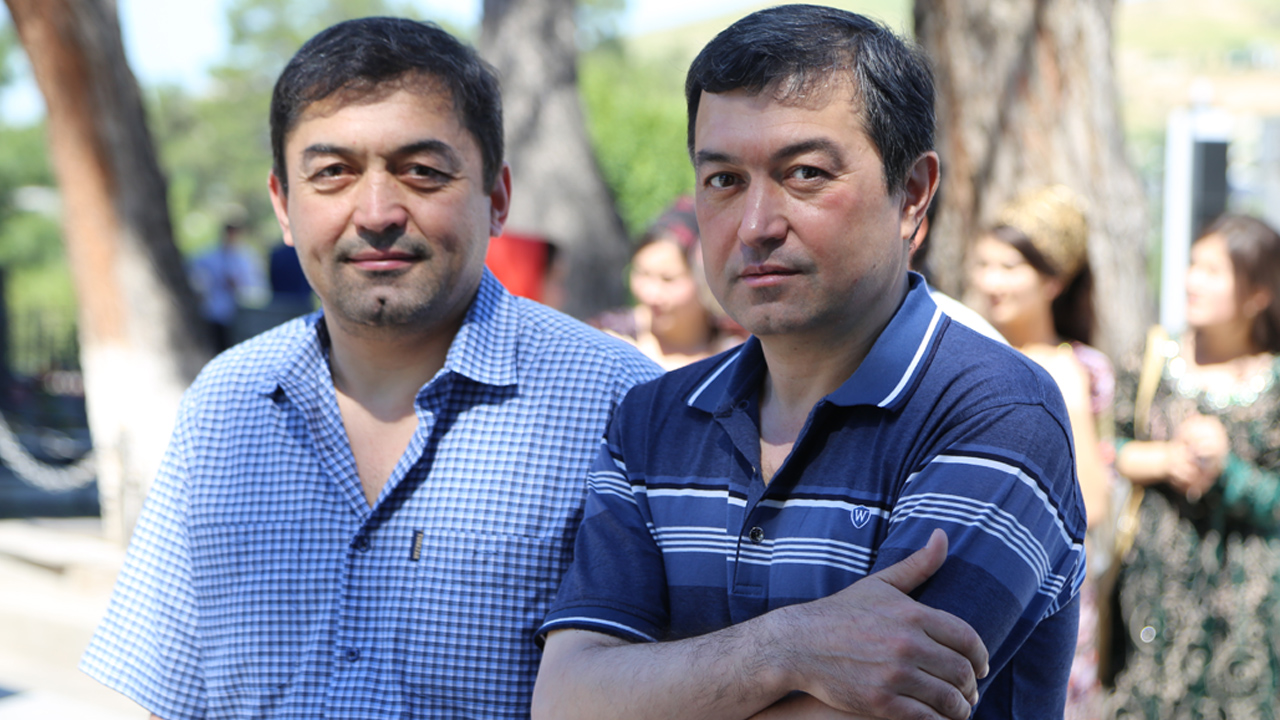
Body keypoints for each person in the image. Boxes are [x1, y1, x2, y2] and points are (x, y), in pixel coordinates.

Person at [79, 17, 664, 719]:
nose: (378, 213)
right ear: (283, 205)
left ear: (497, 197)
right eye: (332, 173)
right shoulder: (227, 404)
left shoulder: (619, 404)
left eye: (422, 172)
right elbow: (171, 701)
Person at [532, 6, 1086, 720]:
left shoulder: (995, 412)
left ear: (913, 193)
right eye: (724, 179)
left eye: (805, 173)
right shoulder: (656, 418)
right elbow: (567, 698)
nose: (756, 225)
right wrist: (788, 646)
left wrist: (652, 686)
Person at [1106, 215, 1280, 720]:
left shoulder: (1273, 383)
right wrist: (1164, 460)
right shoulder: (1151, 360)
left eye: (1213, 271)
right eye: (1192, 265)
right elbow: (1107, 448)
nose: (1191, 281)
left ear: (1257, 294)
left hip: (1250, 618)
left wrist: (1228, 471)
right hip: (1150, 602)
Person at [967, 185, 1115, 719]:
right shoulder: (963, 350)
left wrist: (1067, 392)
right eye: (984, 264)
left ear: (1053, 281)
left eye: (1010, 268)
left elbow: (1092, 503)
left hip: (1042, 591)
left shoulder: (1075, 370)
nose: (991, 282)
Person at [591, 196, 746, 369]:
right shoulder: (606, 339)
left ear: (706, 279)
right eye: (642, 274)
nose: (650, 294)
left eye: (668, 279)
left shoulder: (740, 351)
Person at [189, 221, 268, 351]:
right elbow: (193, 270)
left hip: (242, 312)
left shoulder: (247, 257)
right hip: (216, 311)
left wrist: (240, 284)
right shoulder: (210, 256)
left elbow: (257, 285)